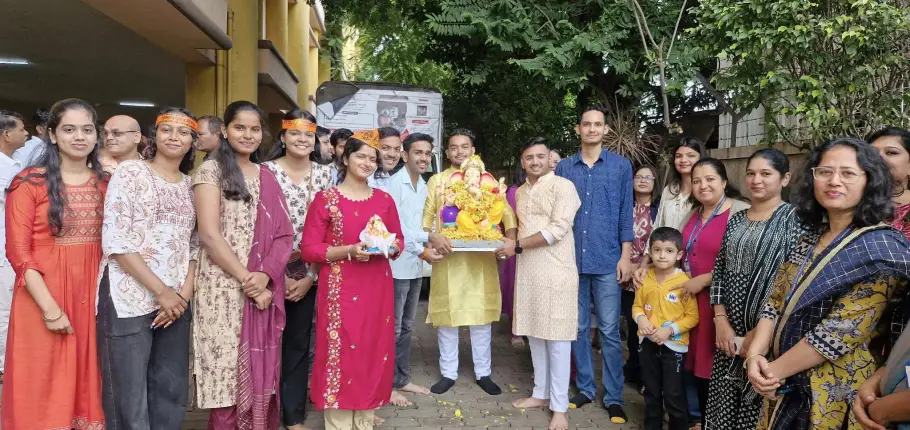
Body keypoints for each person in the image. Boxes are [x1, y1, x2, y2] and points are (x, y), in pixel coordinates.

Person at [746, 138, 910, 430]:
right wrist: (755, 354)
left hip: (835, 392)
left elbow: (838, 334)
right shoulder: (810, 238)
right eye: (824, 172)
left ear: (869, 181)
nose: (834, 181)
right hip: (782, 382)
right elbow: (775, 301)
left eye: (848, 173)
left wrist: (769, 373)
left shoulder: (882, 249)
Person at [2, 98, 107, 429]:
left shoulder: (107, 184)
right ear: (51, 134)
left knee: (91, 383)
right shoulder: (28, 182)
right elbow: (18, 252)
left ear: (97, 136)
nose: (79, 137)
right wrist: (50, 309)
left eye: (87, 130)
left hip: (94, 298)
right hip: (42, 296)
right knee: (43, 385)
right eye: (69, 129)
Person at [193, 101, 294, 429]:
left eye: (254, 129)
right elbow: (209, 235)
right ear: (224, 130)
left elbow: (284, 234)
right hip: (221, 289)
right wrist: (249, 280)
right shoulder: (210, 171)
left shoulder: (268, 176)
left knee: (259, 375)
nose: (247, 135)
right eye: (239, 128)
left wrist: (264, 276)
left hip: (260, 287)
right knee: (224, 380)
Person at [97, 107, 199, 429]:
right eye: (167, 130)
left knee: (170, 386)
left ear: (193, 142)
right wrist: (162, 292)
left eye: (183, 132)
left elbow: (195, 245)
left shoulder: (191, 185)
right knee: (127, 390)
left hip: (175, 303)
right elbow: (116, 240)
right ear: (154, 135)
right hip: (128, 295)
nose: (174, 137)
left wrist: (182, 295)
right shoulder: (131, 172)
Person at [300, 137, 404, 430]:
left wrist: (390, 246)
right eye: (361, 156)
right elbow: (309, 249)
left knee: (372, 352)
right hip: (340, 290)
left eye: (372, 158)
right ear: (345, 159)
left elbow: (398, 240)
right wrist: (348, 250)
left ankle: (365, 422)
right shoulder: (326, 200)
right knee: (343, 352)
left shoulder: (384, 200)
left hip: (377, 288)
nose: (367, 163)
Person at [704, 149, 803, 430]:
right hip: (728, 334)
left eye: (765, 173)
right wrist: (720, 320)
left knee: (755, 409)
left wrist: (759, 335)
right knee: (724, 406)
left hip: (768, 335)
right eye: (751, 173)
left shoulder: (795, 220)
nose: (756, 180)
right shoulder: (737, 218)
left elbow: (794, 282)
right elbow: (720, 269)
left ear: (785, 178)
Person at [422, 129, 518, 395]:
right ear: (447, 152)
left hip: (480, 258)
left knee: (481, 315)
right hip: (448, 256)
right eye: (454, 147)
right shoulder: (439, 180)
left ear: (473, 150)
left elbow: (506, 213)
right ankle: (448, 372)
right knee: (447, 316)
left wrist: (510, 240)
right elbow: (428, 213)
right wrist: (427, 241)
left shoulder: (486, 180)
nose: (459, 152)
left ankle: (483, 372)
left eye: (465, 147)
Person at [554, 106, 634, 423]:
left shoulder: (620, 167)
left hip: (608, 259)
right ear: (578, 129)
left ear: (605, 130)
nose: (591, 129)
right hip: (571, 260)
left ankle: (613, 397)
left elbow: (625, 213)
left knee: (610, 331)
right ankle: (586, 388)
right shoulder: (564, 167)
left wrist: (626, 256)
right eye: (586, 124)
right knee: (577, 328)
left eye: (597, 124)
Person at [261, 109, 333, 430]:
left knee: (298, 342)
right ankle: (260, 410)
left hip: (309, 272)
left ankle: (293, 415)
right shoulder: (265, 172)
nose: (302, 140)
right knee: (263, 342)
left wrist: (310, 277)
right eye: (295, 133)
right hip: (266, 270)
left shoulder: (325, 175)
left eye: (308, 135)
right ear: (283, 137)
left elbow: (330, 229)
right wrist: (274, 271)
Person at [505, 137, 581, 430]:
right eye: (529, 158)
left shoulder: (564, 187)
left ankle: (560, 406)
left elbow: (558, 229)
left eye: (540, 156)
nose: (535, 162)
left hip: (557, 270)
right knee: (535, 334)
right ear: (522, 163)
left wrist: (516, 246)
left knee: (558, 339)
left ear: (551, 159)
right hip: (529, 271)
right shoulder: (521, 192)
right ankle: (541, 393)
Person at [677, 158, 750, 428]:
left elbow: (743, 262)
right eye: (696, 181)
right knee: (691, 361)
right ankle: (697, 419)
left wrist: (705, 280)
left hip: (720, 303)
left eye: (709, 179)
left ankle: (714, 421)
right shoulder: (692, 214)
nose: (703, 186)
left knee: (714, 363)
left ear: (724, 182)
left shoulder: (741, 212)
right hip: (689, 301)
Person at [387, 132, 442, 407]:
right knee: (393, 329)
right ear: (404, 155)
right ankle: (385, 385)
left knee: (408, 326)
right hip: (396, 267)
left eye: (427, 153)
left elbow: (424, 224)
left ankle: (401, 379)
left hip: (415, 267)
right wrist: (425, 244)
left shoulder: (424, 186)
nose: (423, 158)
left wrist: (430, 243)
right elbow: (396, 228)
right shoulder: (393, 184)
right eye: (418, 152)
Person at [633, 227, 698, 430]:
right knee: (651, 393)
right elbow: (637, 306)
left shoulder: (684, 282)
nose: (662, 255)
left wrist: (669, 330)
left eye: (669, 251)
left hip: (674, 349)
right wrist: (641, 319)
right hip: (648, 345)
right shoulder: (645, 278)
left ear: (679, 255)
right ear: (650, 252)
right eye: (657, 250)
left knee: (673, 395)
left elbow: (693, 317)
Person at [622, 164, 660, 385]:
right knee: (631, 323)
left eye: (648, 177)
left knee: (648, 325)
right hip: (624, 273)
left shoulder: (659, 210)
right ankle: (633, 368)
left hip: (650, 273)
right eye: (639, 176)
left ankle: (648, 377)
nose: (643, 180)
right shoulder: (624, 207)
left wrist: (642, 266)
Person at [0, 110, 29, 380]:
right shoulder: (4, 168)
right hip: (3, 248)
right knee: (5, 307)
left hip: (10, 246)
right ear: (7, 134)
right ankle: (3, 365)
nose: (26, 133)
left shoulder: (14, 163)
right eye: (21, 129)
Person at [500, 161, 527, 348]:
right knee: (515, 288)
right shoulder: (514, 192)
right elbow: (511, 224)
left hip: (537, 247)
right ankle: (516, 330)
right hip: (517, 247)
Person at [368, 126, 402, 191]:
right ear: (373, 149)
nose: (392, 154)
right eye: (385, 148)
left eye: (397, 149)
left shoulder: (386, 175)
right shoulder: (367, 179)